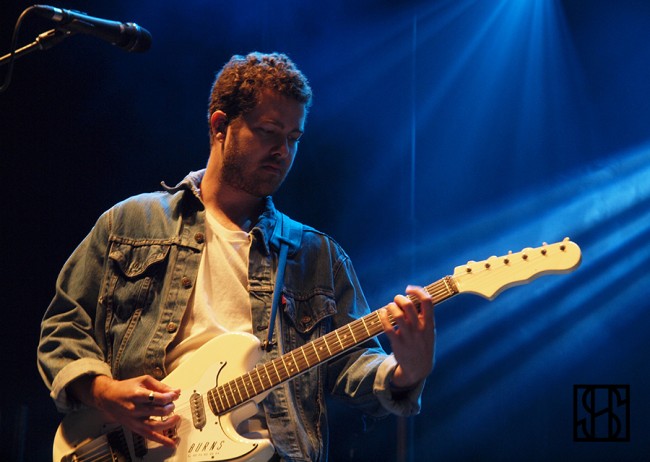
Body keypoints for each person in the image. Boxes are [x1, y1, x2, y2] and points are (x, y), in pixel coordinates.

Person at [37, 51, 435, 461]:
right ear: (219, 126)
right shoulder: (131, 223)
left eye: (294, 138)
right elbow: (63, 327)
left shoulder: (318, 256)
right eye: (269, 132)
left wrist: (406, 371)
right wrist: (103, 391)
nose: (283, 151)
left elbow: (352, 364)